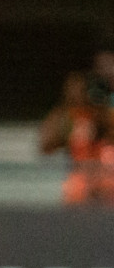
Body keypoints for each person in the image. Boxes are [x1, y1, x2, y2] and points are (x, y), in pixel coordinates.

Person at [40, 69, 114, 206]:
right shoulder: (63, 115)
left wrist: (99, 120)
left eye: (82, 89)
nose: (78, 95)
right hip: (79, 178)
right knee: (76, 188)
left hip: (105, 177)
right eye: (73, 89)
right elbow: (46, 146)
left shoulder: (104, 113)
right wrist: (70, 128)